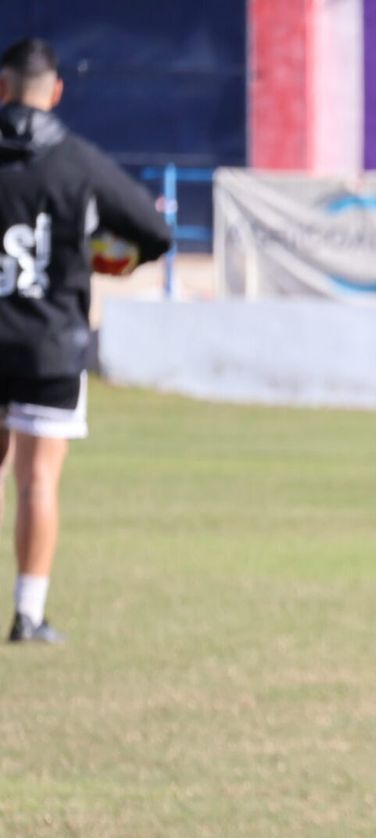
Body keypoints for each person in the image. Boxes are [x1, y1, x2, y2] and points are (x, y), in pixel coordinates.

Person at [0, 37, 171, 644]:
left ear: (2, 88)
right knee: (38, 479)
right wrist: (111, 261)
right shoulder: (76, 160)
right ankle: (28, 614)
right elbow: (153, 229)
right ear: (57, 93)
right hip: (50, 343)